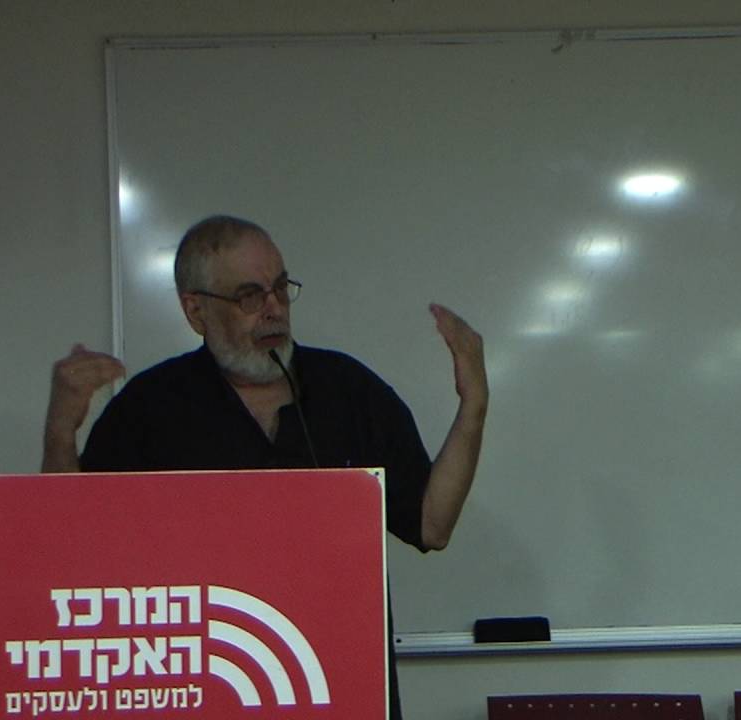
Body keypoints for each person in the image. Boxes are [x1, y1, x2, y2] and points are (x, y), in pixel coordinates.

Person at [40, 215, 487, 719]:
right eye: (250, 296)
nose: (274, 309)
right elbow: (70, 550)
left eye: (280, 288)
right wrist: (60, 432)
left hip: (343, 687)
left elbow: (431, 525)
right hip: (206, 691)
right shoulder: (150, 407)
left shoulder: (348, 390)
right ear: (196, 311)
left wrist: (473, 404)